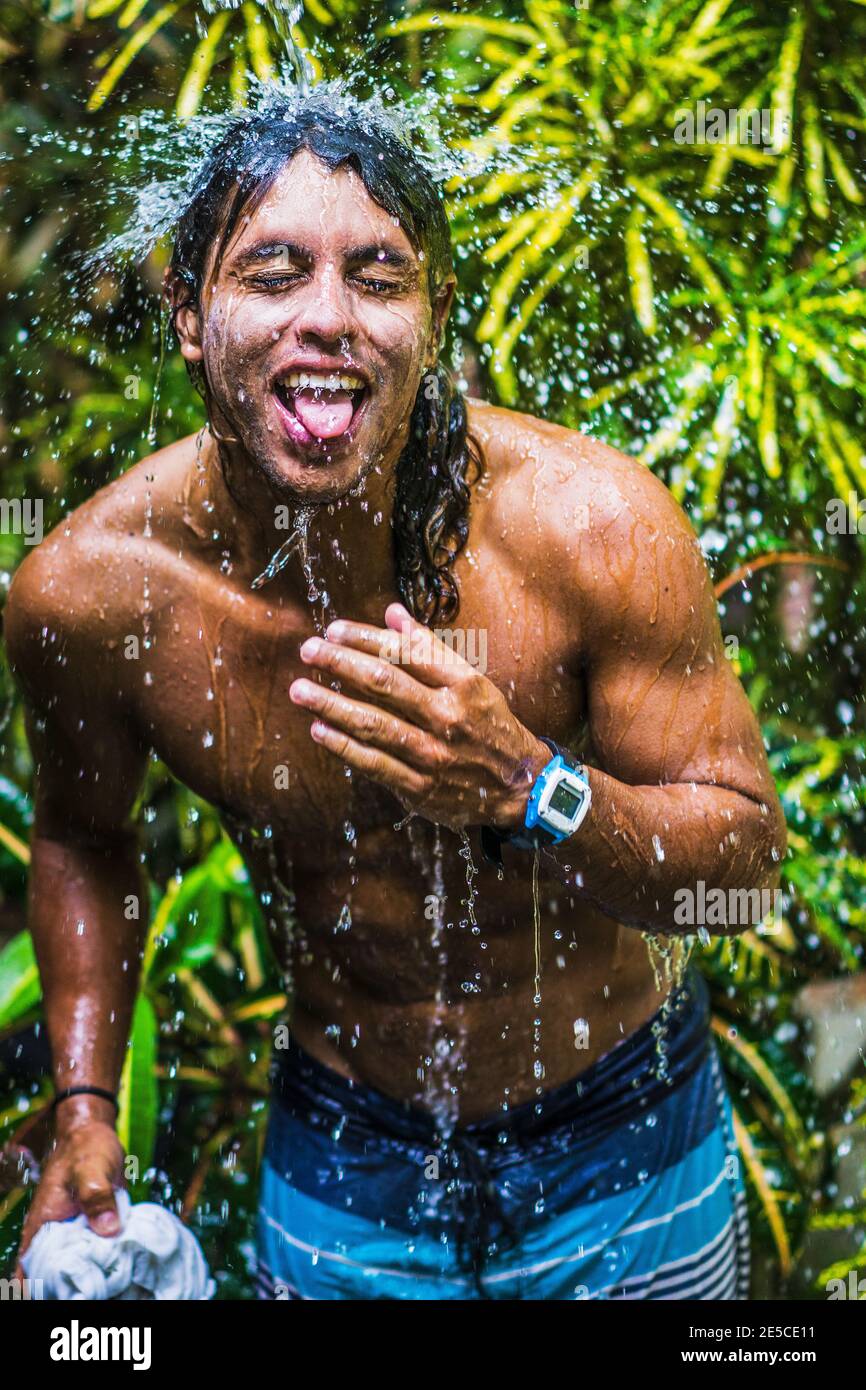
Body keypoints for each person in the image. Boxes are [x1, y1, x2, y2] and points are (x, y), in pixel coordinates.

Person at [6, 93, 785, 1300]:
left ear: (429, 321)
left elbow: (745, 868)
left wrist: (533, 786)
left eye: (378, 277)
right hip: (344, 1158)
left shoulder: (592, 529)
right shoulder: (98, 596)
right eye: (272, 273)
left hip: (626, 1140)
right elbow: (83, 839)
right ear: (186, 316)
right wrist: (86, 1105)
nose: (329, 318)